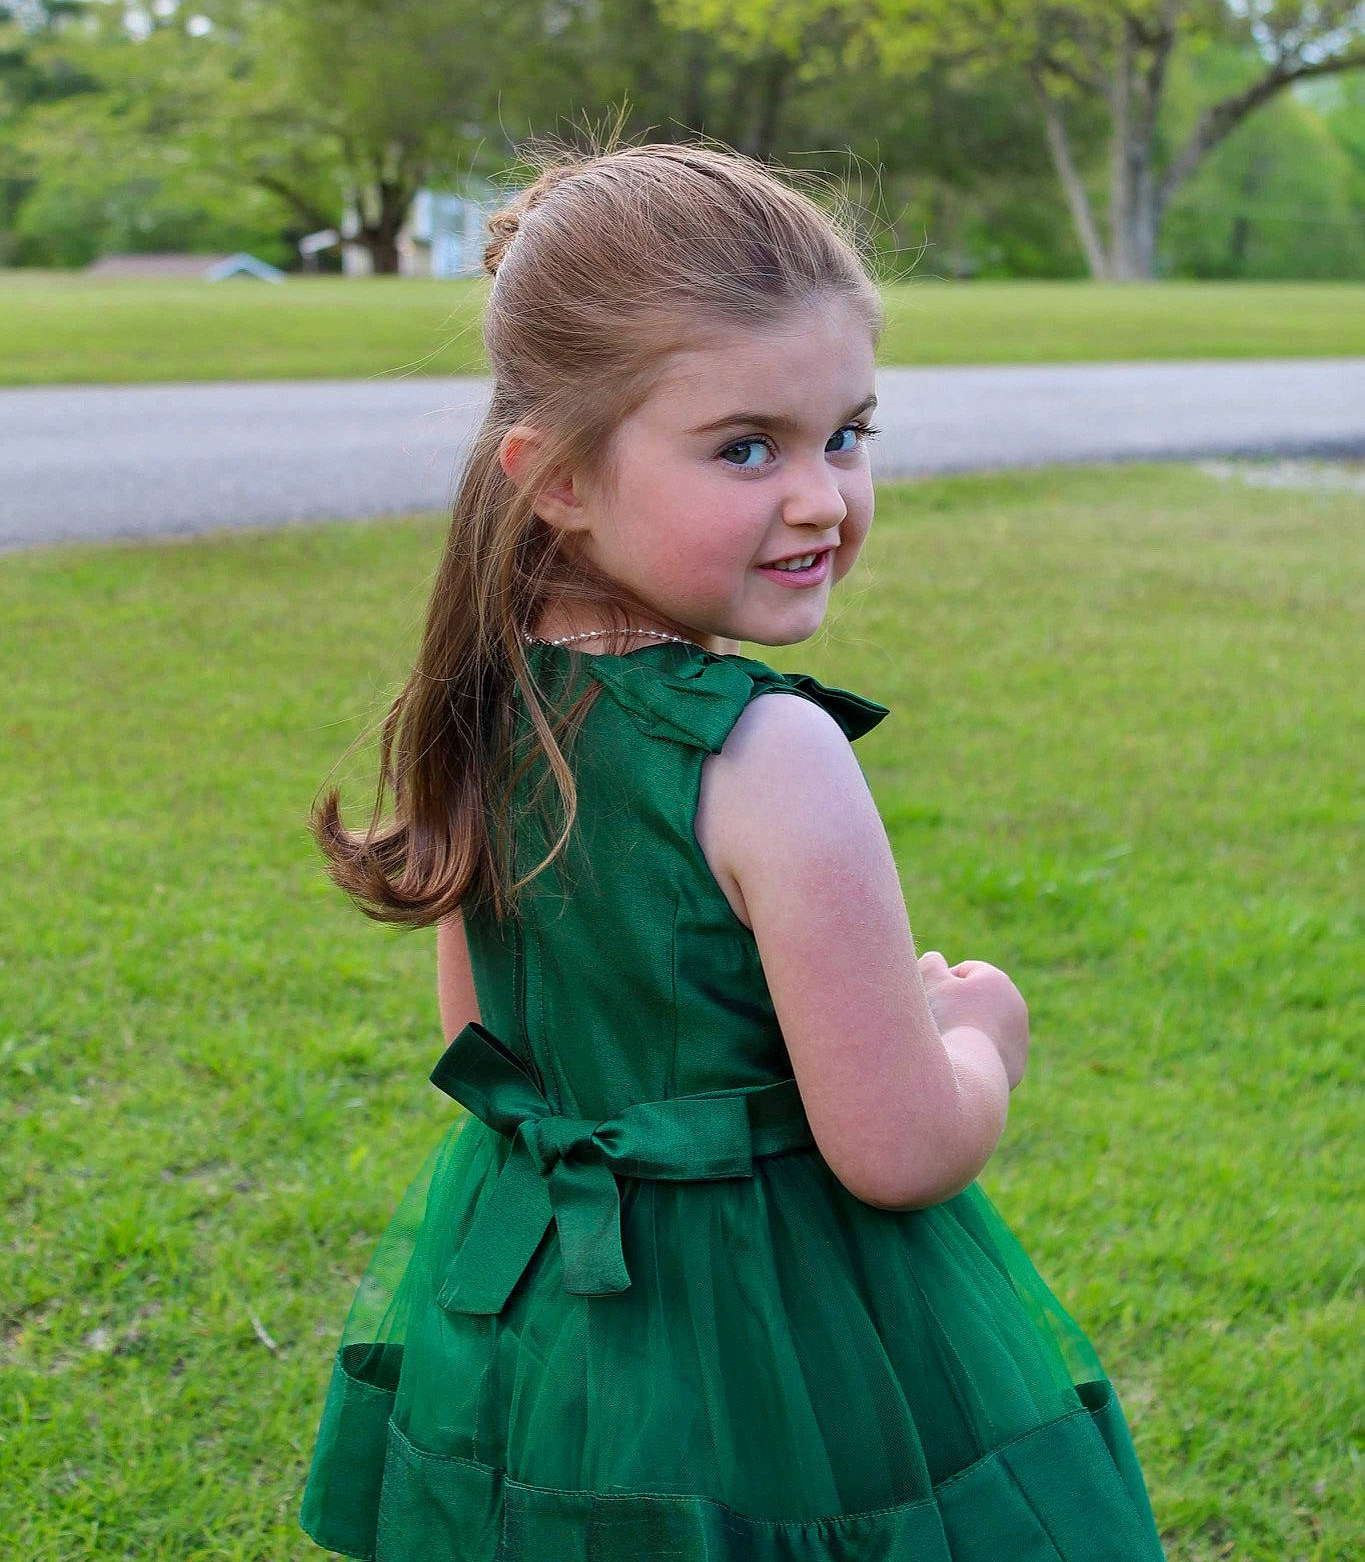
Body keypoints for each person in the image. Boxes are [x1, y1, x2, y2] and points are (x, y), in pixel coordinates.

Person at [298, 142, 1165, 1562]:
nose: (822, 497)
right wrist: (976, 1044)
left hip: (554, 1325)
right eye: (746, 447)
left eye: (848, 434)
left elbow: (481, 1051)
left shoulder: (492, 707)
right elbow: (895, 1149)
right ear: (558, 478)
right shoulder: (769, 754)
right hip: (780, 1328)